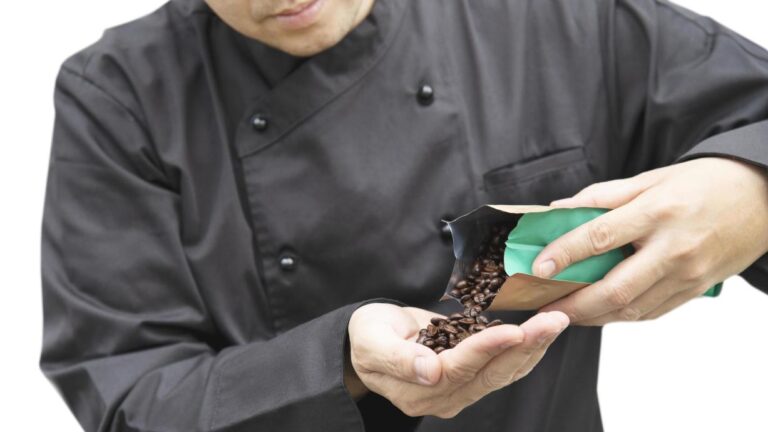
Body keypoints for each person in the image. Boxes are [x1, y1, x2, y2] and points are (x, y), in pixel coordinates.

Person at [41, 0, 768, 431]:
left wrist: (752, 188)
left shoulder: (554, 19)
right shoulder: (119, 97)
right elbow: (129, 399)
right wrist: (339, 361)